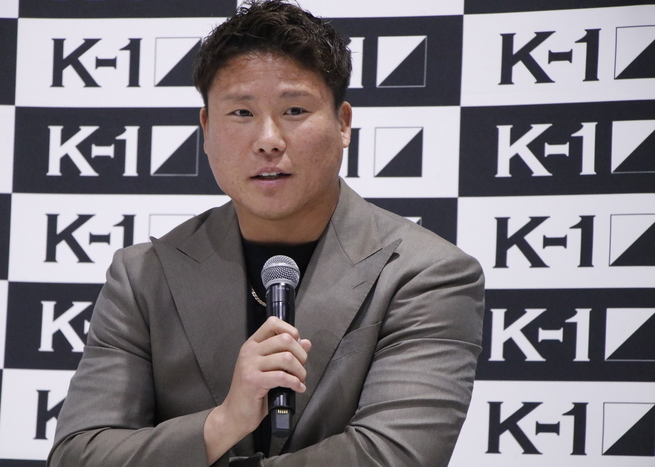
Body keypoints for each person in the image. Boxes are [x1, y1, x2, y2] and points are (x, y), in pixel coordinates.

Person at [48, 1, 485, 465]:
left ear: (343, 124)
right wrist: (224, 421)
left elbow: (394, 457)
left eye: (295, 109)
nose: (269, 140)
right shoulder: (143, 275)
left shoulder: (428, 274)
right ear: (206, 127)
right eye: (241, 112)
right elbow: (78, 456)